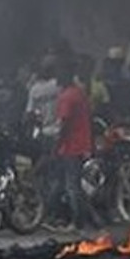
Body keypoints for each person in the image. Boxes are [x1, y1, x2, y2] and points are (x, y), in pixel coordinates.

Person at [47, 57, 102, 231]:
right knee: (66, 184)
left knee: (72, 186)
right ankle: (94, 220)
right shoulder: (79, 93)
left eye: (59, 73)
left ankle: (77, 223)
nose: (56, 77)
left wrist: (56, 146)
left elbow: (63, 125)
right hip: (81, 144)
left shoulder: (67, 97)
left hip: (71, 146)